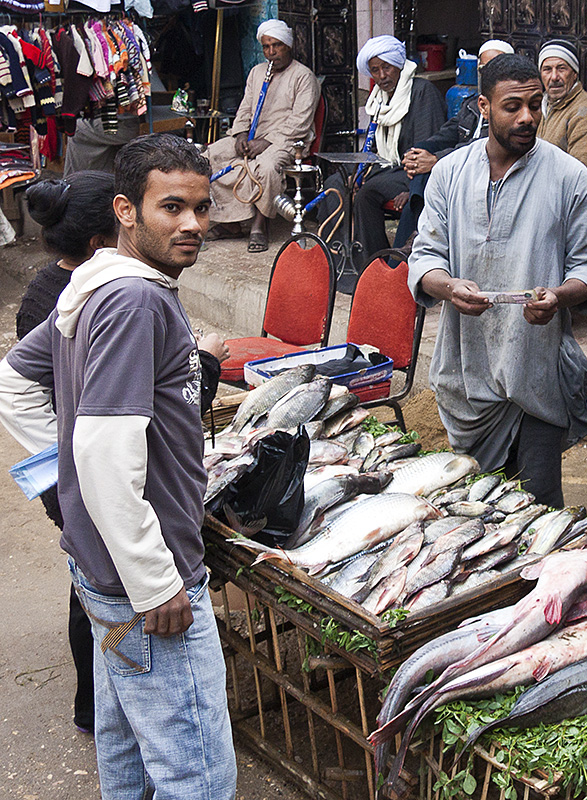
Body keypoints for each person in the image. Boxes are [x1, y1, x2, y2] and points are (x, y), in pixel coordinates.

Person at [0, 133, 238, 800]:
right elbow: (104, 453)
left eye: (202, 206)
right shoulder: (135, 301)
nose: (193, 224)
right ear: (126, 211)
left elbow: (13, 383)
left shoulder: (94, 285)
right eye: (172, 208)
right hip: (144, 587)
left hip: (98, 567)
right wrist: (155, 580)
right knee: (196, 775)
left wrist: (64, 467)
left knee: (128, 749)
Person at [407, 54, 587, 508]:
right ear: (483, 106)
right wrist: (448, 286)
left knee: (534, 513)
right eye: (512, 106)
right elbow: (425, 258)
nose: (527, 117)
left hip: (536, 372)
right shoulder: (449, 173)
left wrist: (558, 296)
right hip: (466, 373)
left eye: (535, 105)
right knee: (473, 513)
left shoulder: (568, 176)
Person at [321, 35, 445, 283]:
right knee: (336, 183)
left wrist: (413, 188)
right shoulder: (378, 99)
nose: (381, 76)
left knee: (369, 192)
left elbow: (426, 150)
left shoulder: (421, 92)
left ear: (398, 65)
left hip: (414, 171)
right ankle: (339, 261)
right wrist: (360, 172)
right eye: (375, 70)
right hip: (387, 166)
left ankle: (376, 267)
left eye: (386, 67)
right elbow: (374, 147)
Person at [205, 20, 320, 253]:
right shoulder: (257, 72)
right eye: (266, 47)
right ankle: (231, 222)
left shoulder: (303, 77)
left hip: (287, 141)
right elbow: (246, 108)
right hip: (253, 137)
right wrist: (240, 135)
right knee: (211, 155)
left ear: (289, 46)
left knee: (266, 167)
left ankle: (260, 224)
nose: (271, 52)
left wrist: (266, 142)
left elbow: (300, 121)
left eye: (276, 46)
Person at [393, 39, 514, 248]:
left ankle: (412, 239)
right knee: (421, 164)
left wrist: (436, 160)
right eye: (483, 68)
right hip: (457, 169)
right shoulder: (472, 104)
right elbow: (446, 135)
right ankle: (410, 240)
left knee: (429, 180)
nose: (488, 73)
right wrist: (418, 152)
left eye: (496, 66)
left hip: (484, 173)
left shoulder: (510, 107)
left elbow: (482, 146)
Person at [536, 39, 587, 215]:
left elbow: (581, 181)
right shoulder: (541, 106)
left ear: (574, 74)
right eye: (547, 69)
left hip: (580, 210)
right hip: (545, 199)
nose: (554, 77)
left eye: (562, 68)